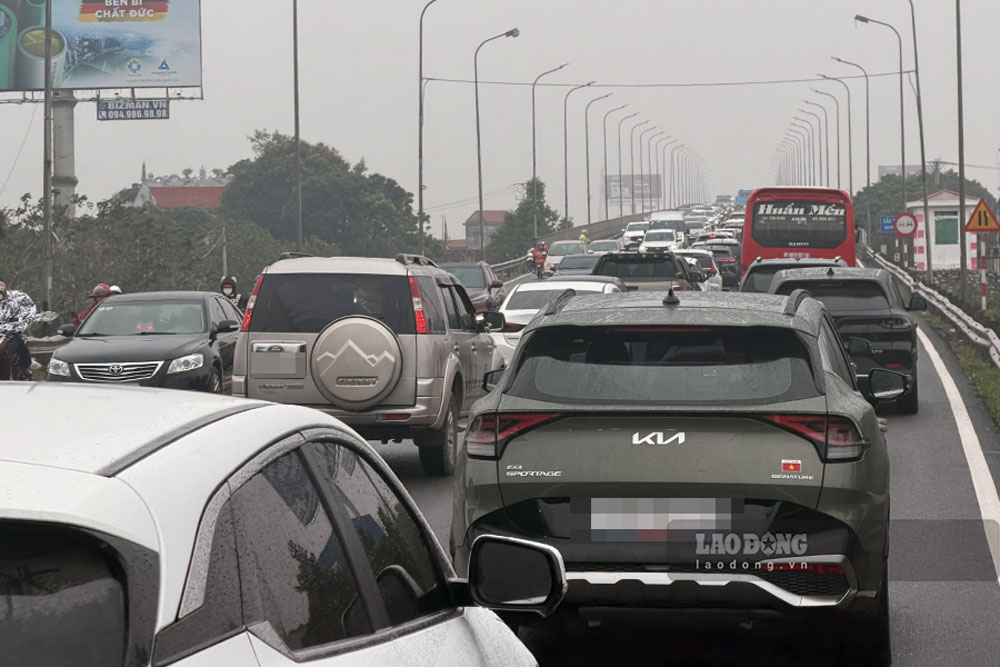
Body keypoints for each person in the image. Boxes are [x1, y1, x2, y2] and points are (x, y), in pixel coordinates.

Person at [0, 280, 38, 380]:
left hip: (11, 332)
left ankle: (24, 368)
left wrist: (21, 323)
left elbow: (30, 308)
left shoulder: (17, 297)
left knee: (16, 349)